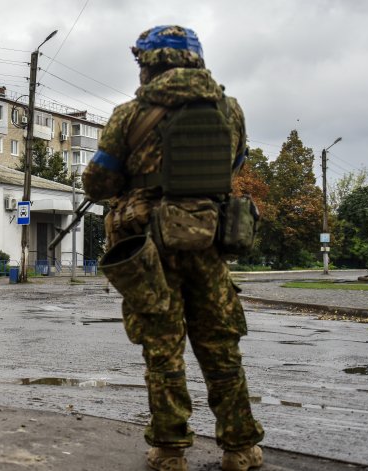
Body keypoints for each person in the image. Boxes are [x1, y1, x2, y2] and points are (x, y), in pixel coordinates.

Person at [83, 26, 264, 471]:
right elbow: (235, 164)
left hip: (148, 248)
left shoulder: (130, 114)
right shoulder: (230, 110)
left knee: (163, 351)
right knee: (221, 348)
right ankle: (240, 449)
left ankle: (169, 451)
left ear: (147, 65)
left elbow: (99, 181)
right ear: (196, 61)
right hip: (209, 242)